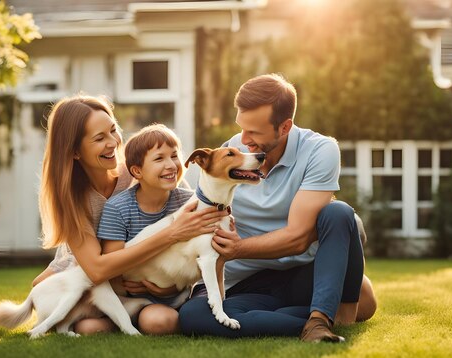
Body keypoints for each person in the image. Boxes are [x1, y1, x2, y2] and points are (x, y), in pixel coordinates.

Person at [178, 74, 377, 342]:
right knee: (193, 317)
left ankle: (318, 317)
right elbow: (194, 212)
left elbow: (298, 237)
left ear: (284, 127)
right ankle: (323, 317)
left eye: (254, 132)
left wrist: (238, 249)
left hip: (303, 275)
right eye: (241, 128)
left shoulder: (320, 151)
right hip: (246, 285)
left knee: (340, 213)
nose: (242, 139)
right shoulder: (232, 153)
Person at [31, 95, 227, 334]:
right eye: (99, 138)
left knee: (143, 321)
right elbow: (96, 270)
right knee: (40, 289)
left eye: (113, 130)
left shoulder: (145, 169)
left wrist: (175, 285)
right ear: (75, 152)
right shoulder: (72, 197)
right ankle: (121, 315)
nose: (113, 142)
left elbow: (194, 232)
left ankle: (124, 316)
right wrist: (172, 233)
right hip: (87, 264)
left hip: (144, 270)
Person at [77, 124, 194, 335]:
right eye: (159, 159)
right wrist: (139, 284)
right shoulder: (118, 208)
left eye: (175, 156)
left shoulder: (189, 202)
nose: (171, 165)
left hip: (175, 294)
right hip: (131, 297)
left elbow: (202, 256)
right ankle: (125, 320)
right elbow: (114, 267)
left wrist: (173, 287)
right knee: (88, 328)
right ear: (137, 171)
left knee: (161, 322)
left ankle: (133, 322)